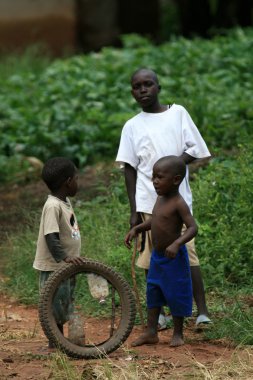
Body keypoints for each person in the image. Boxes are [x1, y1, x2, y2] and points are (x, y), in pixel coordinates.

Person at [116, 68, 211, 328]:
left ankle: (201, 311)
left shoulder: (177, 114)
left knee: (187, 255)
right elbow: (129, 168)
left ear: (158, 86)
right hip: (149, 202)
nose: (143, 90)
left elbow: (196, 149)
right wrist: (134, 210)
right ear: (132, 92)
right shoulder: (132, 126)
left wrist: (173, 166)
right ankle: (158, 314)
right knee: (152, 258)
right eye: (137, 86)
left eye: (148, 84)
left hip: (178, 202)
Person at [125, 156, 197, 346]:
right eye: (153, 176)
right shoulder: (160, 198)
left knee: (176, 292)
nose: (154, 181)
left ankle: (178, 333)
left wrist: (177, 244)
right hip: (157, 257)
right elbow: (156, 220)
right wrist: (138, 228)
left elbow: (192, 228)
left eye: (159, 177)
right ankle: (151, 332)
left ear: (175, 180)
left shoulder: (178, 203)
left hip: (173, 258)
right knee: (153, 291)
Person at [33, 157, 85, 350]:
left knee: (64, 301)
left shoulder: (64, 201)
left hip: (65, 267)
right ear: (68, 182)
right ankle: (55, 342)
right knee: (53, 305)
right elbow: (51, 235)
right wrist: (65, 256)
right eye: (77, 178)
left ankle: (61, 341)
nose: (78, 183)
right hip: (54, 266)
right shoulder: (53, 206)